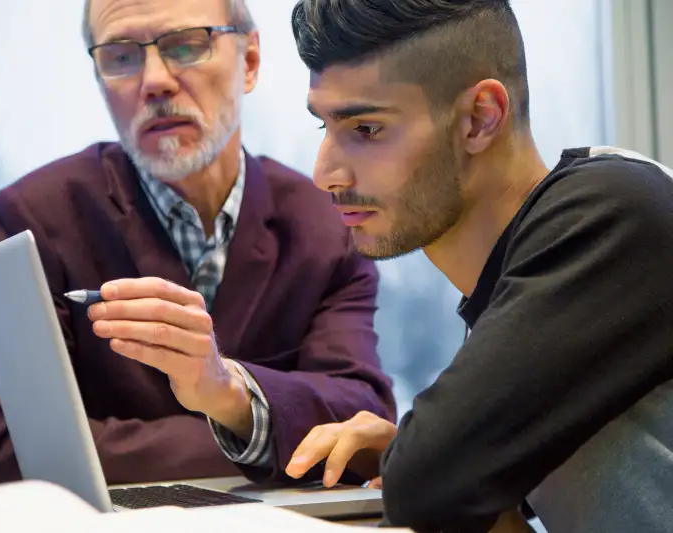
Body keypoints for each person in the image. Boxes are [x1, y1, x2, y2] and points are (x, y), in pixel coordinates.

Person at [284, 0, 673, 532]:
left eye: (367, 129)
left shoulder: (612, 212)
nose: (324, 171)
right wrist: (412, 456)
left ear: (480, 118)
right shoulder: (516, 280)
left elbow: (429, 487)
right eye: (324, 128)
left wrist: (427, 465)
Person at [0, 0, 396, 487]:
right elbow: (15, 455)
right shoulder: (36, 219)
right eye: (121, 56)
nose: (153, 81)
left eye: (186, 45)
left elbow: (364, 429)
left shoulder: (325, 225)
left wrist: (230, 394)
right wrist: (265, 428)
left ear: (250, 61)